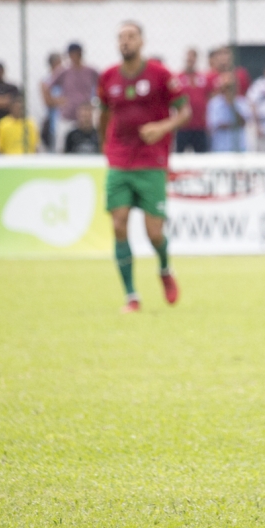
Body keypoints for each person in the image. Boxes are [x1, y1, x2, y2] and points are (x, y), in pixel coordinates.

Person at [98, 22, 191, 313]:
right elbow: (103, 115)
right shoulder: (108, 77)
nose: (125, 42)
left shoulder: (161, 75)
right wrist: (107, 147)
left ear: (142, 41)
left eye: (131, 36)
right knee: (118, 224)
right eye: (121, 37)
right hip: (119, 162)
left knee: (154, 233)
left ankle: (164, 269)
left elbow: (185, 111)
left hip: (152, 162)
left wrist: (163, 127)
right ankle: (131, 296)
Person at [54, 43, 100, 152]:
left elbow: (103, 84)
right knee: (63, 145)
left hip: (87, 116)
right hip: (68, 116)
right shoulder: (64, 72)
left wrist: (97, 102)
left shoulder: (90, 71)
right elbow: (46, 85)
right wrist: (53, 100)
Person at [173, 48, 211, 153]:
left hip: (200, 127)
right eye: (188, 56)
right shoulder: (178, 78)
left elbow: (210, 96)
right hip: (183, 127)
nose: (190, 59)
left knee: (202, 156)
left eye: (193, 57)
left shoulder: (203, 78)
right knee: (180, 156)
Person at [206, 76, 251, 152]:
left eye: (231, 87)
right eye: (226, 87)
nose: (229, 90)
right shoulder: (214, 103)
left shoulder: (242, 102)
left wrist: (233, 106)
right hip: (220, 148)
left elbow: (243, 122)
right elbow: (216, 124)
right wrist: (235, 124)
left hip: (239, 147)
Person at [38, 52, 64, 152]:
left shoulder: (64, 79)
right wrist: (61, 100)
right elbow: (48, 101)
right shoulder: (46, 81)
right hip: (53, 120)